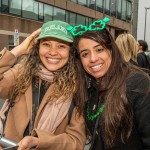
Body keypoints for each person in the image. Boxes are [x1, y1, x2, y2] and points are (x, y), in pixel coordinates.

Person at [0, 20, 86, 150]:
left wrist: (38, 141)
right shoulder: (20, 73)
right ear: (37, 47)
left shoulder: (78, 87)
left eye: (61, 46)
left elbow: (76, 141)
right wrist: (17, 51)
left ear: (71, 51)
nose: (53, 52)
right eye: (46, 44)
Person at [70, 17, 150, 150]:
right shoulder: (88, 87)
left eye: (99, 50)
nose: (93, 59)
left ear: (111, 50)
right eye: (85, 54)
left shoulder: (137, 82)